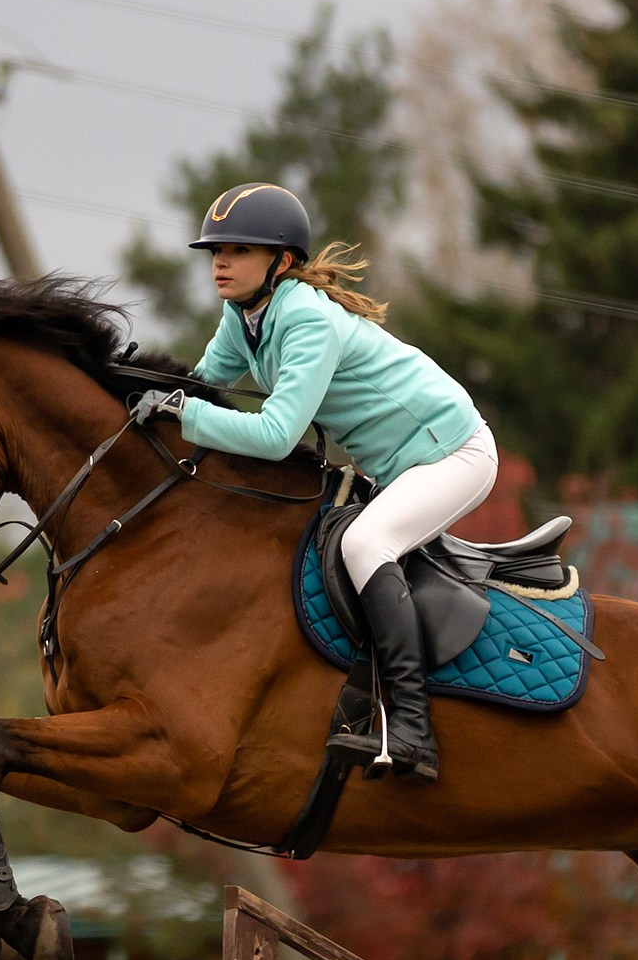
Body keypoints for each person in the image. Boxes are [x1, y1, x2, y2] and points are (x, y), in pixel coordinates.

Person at [130, 182, 494, 782]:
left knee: (362, 545)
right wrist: (142, 392)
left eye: (238, 250)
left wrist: (182, 413)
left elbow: (274, 435)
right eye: (216, 249)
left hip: (453, 453)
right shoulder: (242, 316)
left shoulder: (304, 317)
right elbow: (201, 385)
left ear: (282, 262)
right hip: (399, 466)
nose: (220, 261)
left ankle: (412, 728)